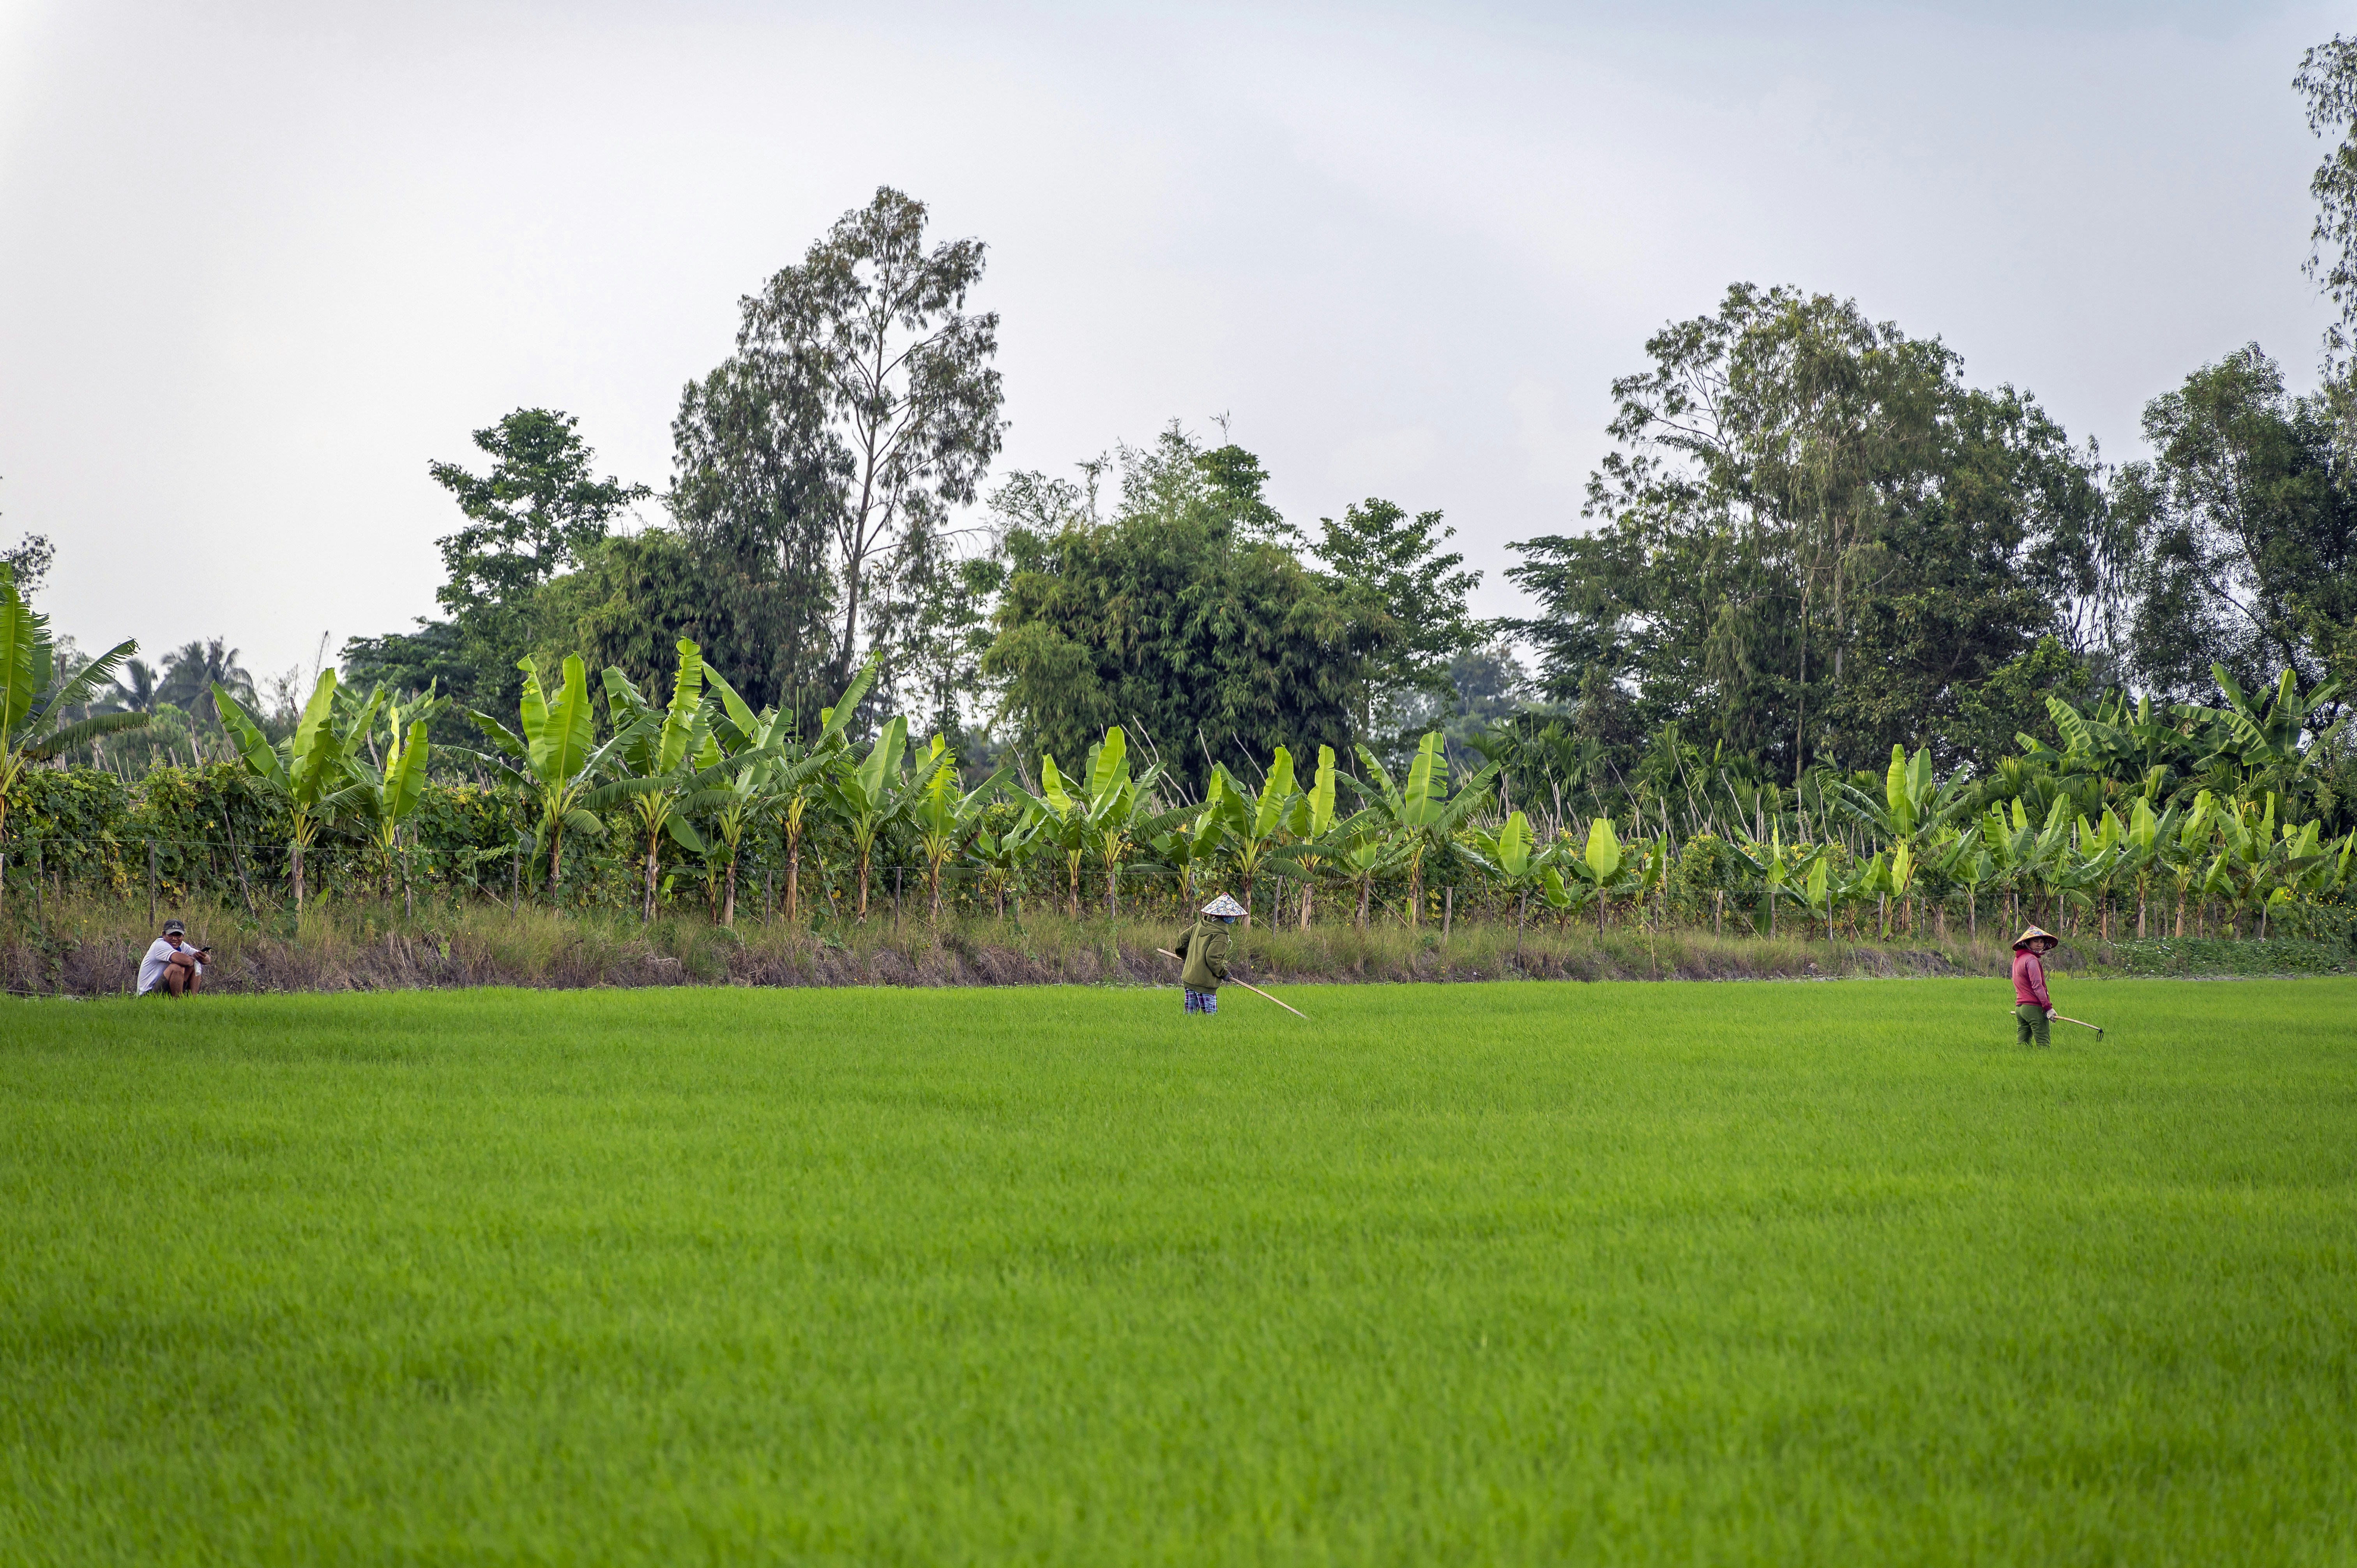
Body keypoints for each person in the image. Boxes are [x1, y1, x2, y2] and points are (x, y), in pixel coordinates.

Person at [1180, 894, 1245, 1015]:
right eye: (1232, 916)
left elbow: (1181, 940)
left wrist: (1185, 957)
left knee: (1188, 1021)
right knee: (1210, 1022)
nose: (1233, 918)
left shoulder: (1201, 924)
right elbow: (1212, 958)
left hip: (1189, 980)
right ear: (1225, 917)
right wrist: (1223, 973)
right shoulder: (1221, 935)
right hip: (1206, 983)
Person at [2011, 924, 2059, 1047]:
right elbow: (2038, 986)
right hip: (2034, 1008)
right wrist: (2048, 1008)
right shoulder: (2031, 960)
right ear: (2028, 942)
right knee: (2044, 1044)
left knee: (2023, 1046)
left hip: (2020, 1008)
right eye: (2036, 941)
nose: (2039, 944)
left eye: (2042, 941)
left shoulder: (2019, 959)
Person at [138, 920, 207, 998]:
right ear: (164, 934)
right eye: (171, 935)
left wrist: (205, 959)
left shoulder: (181, 945)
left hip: (165, 988)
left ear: (183, 936)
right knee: (176, 967)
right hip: (148, 994)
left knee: (195, 964)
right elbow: (186, 961)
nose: (175, 939)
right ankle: (178, 1001)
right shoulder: (160, 945)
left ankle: (193, 999)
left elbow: (204, 957)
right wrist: (196, 959)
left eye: (178, 935)